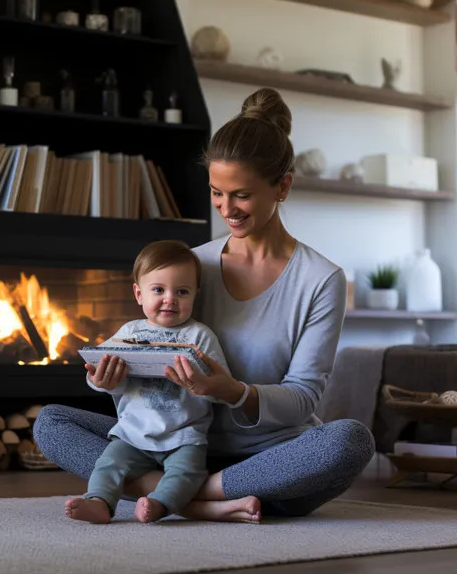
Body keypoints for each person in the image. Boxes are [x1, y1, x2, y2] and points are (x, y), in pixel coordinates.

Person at [35, 87, 375, 523]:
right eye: (217, 192)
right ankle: (198, 498)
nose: (227, 208)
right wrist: (114, 375)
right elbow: (149, 350)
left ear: (283, 186)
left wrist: (231, 391)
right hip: (175, 445)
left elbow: (304, 398)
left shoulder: (320, 279)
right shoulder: (191, 267)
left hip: (269, 459)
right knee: (51, 423)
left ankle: (194, 494)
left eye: (242, 195)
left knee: (350, 442)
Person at [66, 240, 241, 525]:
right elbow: (100, 371)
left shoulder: (200, 336)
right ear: (139, 293)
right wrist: (99, 379)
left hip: (183, 436)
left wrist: (204, 384)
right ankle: (98, 501)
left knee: (188, 474)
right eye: (158, 290)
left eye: (181, 292)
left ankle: (160, 504)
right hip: (132, 434)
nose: (169, 299)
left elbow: (221, 388)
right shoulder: (129, 332)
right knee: (108, 464)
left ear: (196, 294)